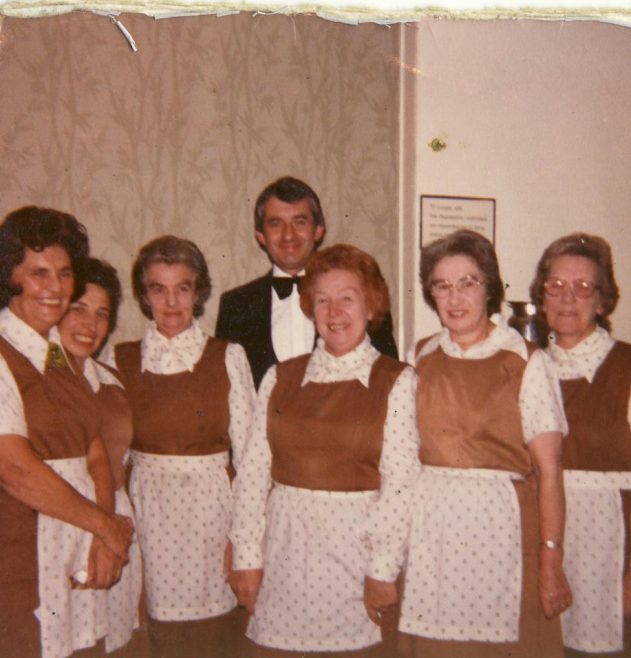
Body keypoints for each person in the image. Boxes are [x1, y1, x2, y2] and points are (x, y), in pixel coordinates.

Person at [229, 243, 420, 657]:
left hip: (357, 563)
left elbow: (402, 483)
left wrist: (383, 569)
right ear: (310, 309)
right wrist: (246, 556)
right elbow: (253, 474)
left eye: (347, 299)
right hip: (284, 559)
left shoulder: (396, 380)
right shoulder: (280, 377)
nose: (334, 313)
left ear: (371, 308)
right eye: (322, 301)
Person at [399, 229, 572, 658]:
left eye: (468, 283)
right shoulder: (419, 356)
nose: (454, 297)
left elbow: (549, 473)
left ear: (489, 288)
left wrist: (551, 559)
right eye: (442, 285)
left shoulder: (525, 360)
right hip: (431, 535)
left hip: (503, 532)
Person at [109, 235, 255, 658]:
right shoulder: (120, 359)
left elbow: (249, 459)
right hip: (148, 518)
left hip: (212, 515)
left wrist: (242, 541)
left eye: (182, 288)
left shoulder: (227, 356)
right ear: (144, 295)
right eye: (158, 288)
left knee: (214, 637)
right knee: (157, 636)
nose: (171, 302)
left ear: (198, 292)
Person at [0, 206, 133, 658]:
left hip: (76, 556)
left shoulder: (56, 353)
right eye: (38, 273)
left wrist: (102, 537)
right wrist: (106, 526)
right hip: (23, 559)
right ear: (10, 277)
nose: (54, 288)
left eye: (63, 273)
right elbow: (14, 468)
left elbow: (93, 447)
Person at [530, 233, 631, 657]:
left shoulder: (626, 367)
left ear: (603, 301)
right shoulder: (524, 365)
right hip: (538, 545)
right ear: (541, 296)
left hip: (610, 551)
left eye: (583, 287)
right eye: (556, 285)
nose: (568, 298)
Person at [215, 177, 398, 388]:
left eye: (299, 222)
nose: (288, 235)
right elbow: (225, 391)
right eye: (276, 224)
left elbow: (387, 375)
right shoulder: (235, 306)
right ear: (261, 236)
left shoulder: (363, 296)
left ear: (318, 230)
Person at [58, 258, 143, 655]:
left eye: (102, 314)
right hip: (66, 532)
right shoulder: (34, 381)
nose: (90, 326)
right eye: (78, 309)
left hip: (117, 535)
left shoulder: (111, 379)